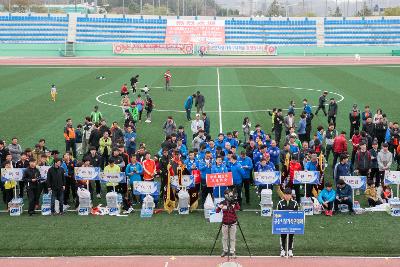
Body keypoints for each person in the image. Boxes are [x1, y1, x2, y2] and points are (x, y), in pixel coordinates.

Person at [216, 189, 240, 258]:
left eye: (231, 194)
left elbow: (238, 208)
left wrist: (236, 202)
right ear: (226, 195)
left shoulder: (234, 202)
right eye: (229, 194)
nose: (231, 196)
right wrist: (219, 207)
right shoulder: (222, 203)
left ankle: (232, 251)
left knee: (232, 238)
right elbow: (217, 211)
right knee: (224, 238)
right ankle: (225, 250)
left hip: (233, 222)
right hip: (225, 223)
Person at [277, 188, 299, 257]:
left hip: (292, 224)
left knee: (291, 237)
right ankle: (283, 250)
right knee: (283, 236)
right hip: (283, 224)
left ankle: (290, 250)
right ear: (284, 195)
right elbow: (277, 214)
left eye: (288, 195)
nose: (287, 196)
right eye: (286, 195)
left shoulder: (295, 203)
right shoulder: (280, 203)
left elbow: (297, 214)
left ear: (291, 195)